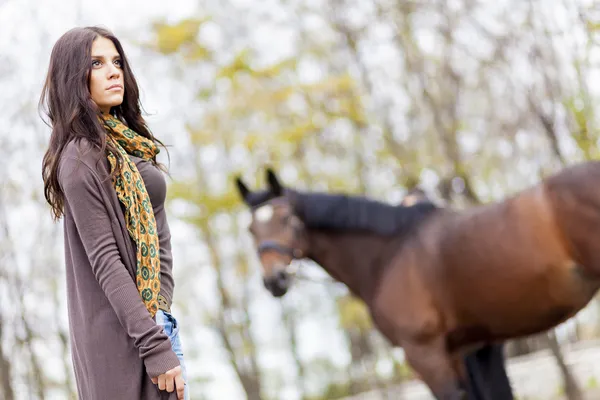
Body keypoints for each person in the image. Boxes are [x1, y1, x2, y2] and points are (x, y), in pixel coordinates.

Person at [40, 26, 188, 400]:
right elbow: (105, 260)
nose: (113, 71)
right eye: (97, 63)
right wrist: (152, 343)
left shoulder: (133, 147)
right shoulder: (79, 158)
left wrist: (161, 312)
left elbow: (159, 234)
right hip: (117, 338)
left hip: (153, 323)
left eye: (117, 62)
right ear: (74, 77)